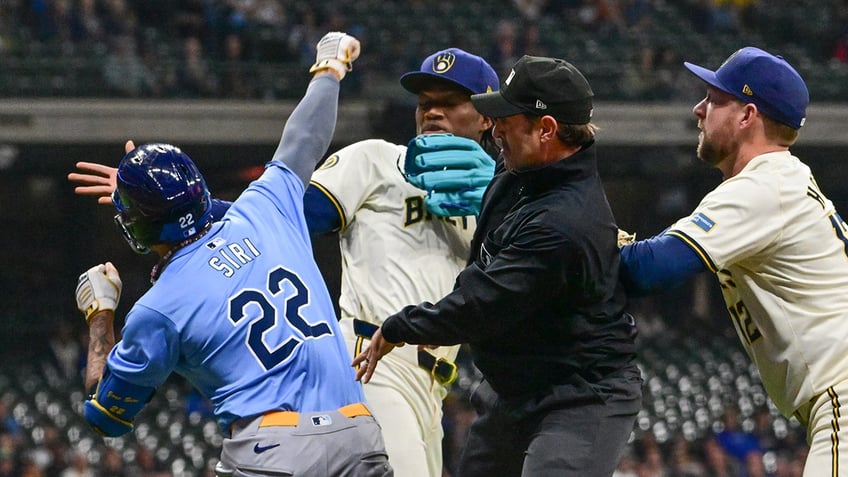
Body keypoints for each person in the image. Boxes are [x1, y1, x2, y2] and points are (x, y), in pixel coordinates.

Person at [69, 47, 500, 477]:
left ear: (487, 117)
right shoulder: (376, 161)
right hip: (369, 371)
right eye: (426, 103)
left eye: (450, 103)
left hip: (408, 392)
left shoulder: (504, 196)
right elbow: (298, 187)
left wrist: (504, 199)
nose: (433, 113)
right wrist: (329, 70)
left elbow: (103, 414)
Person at [354, 55, 643, 477]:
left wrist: (403, 326)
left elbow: (484, 302)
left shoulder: (564, 220)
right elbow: (478, 268)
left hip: (580, 396)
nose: (497, 127)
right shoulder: (512, 178)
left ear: (546, 129)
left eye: (507, 117)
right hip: (513, 390)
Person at [618, 46, 848, 476]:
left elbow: (648, 270)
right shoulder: (786, 181)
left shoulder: (765, 185)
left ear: (747, 116)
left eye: (714, 98)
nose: (698, 109)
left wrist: (590, 235)